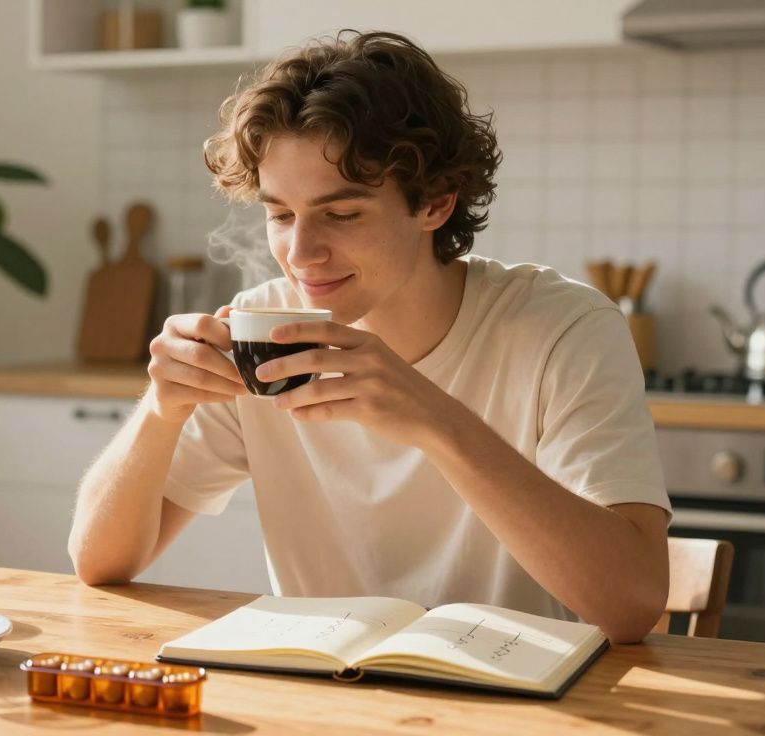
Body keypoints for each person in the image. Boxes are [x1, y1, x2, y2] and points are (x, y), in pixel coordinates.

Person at [68, 31, 670, 643]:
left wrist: (435, 420)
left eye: (342, 214)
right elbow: (100, 562)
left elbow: (630, 604)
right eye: (280, 215)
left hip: (531, 700)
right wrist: (161, 411)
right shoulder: (263, 331)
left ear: (435, 203)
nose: (300, 253)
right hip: (327, 697)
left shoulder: (563, 329)